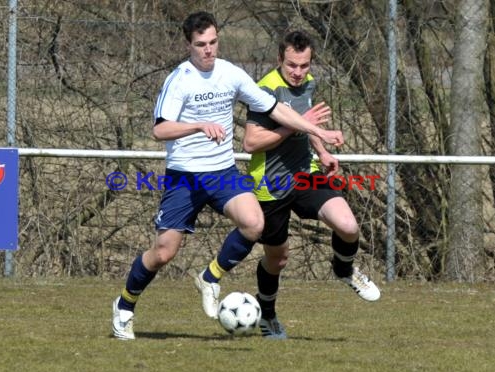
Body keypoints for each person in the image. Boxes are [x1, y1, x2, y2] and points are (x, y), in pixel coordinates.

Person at [111, 12, 344, 340]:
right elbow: (159, 129)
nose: (208, 50)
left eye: (213, 42)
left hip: (221, 173)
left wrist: (319, 133)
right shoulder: (180, 80)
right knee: (163, 251)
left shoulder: (231, 74)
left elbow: (277, 110)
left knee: (254, 223)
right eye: (200, 44)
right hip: (186, 177)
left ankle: (209, 277)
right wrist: (196, 125)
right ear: (189, 45)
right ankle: (124, 305)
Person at [243, 30, 381, 340]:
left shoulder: (308, 83)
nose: (298, 72)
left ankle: (344, 270)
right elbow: (252, 142)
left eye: (304, 65)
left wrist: (322, 151)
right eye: (292, 65)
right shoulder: (264, 90)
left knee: (347, 225)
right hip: (272, 184)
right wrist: (294, 124)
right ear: (280, 59)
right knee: (277, 259)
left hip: (306, 174)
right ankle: (268, 317)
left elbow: (309, 126)